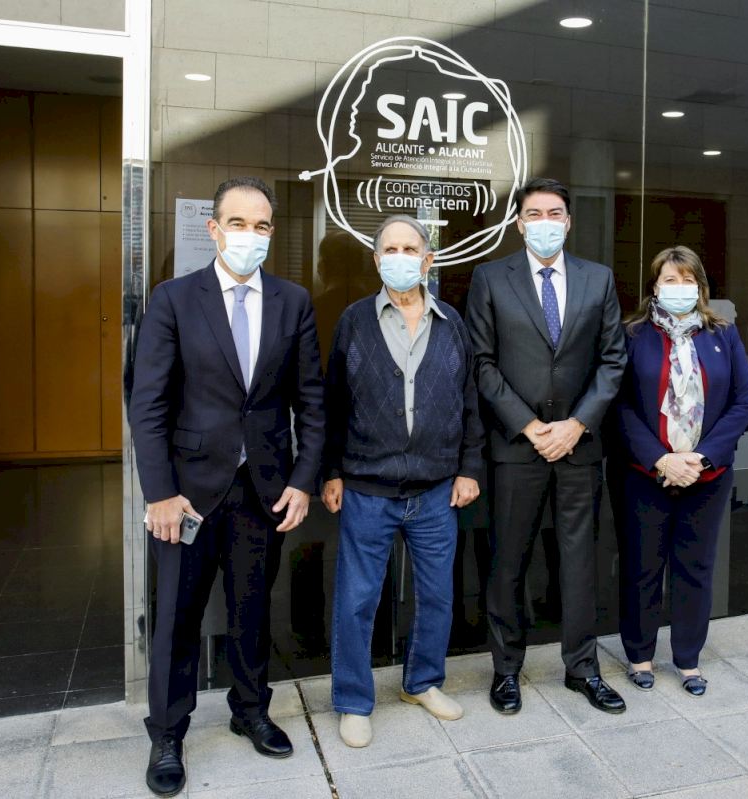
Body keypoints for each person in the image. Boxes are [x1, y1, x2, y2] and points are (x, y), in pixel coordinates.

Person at [129, 176, 324, 797]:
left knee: (251, 610)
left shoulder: (293, 302)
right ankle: (167, 731)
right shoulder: (173, 299)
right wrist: (159, 493)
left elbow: (311, 401)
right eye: (237, 223)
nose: (249, 235)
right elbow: (148, 404)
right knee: (176, 617)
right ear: (214, 230)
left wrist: (303, 481)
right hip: (186, 493)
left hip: (263, 488)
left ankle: (250, 710)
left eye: (261, 225)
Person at [465, 177, 628, 716]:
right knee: (508, 563)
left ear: (569, 221)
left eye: (554, 213)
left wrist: (577, 425)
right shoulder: (491, 278)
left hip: (579, 447)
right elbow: (481, 363)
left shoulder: (598, 279)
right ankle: (506, 670)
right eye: (534, 214)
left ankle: (583, 669)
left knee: (579, 563)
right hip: (517, 447)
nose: (545, 223)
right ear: (519, 223)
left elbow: (613, 360)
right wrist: (530, 426)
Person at [322, 215, 485, 748]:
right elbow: (332, 403)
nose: (400, 258)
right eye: (389, 249)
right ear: (376, 260)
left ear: (428, 259)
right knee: (356, 601)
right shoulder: (354, 321)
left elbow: (469, 401)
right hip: (367, 489)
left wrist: (468, 468)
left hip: (436, 490)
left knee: (437, 594)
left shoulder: (451, 322)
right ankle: (353, 701)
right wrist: (331, 471)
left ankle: (423, 682)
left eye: (410, 249)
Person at [610, 245, 748, 697]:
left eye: (687, 280)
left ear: (701, 287)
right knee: (642, 567)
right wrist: (662, 459)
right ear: (654, 287)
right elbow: (619, 403)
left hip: (706, 476)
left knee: (695, 567)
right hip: (644, 473)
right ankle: (639, 655)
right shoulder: (632, 334)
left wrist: (702, 457)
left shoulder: (723, 333)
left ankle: (688, 659)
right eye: (670, 280)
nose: (679, 287)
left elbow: (742, 400)